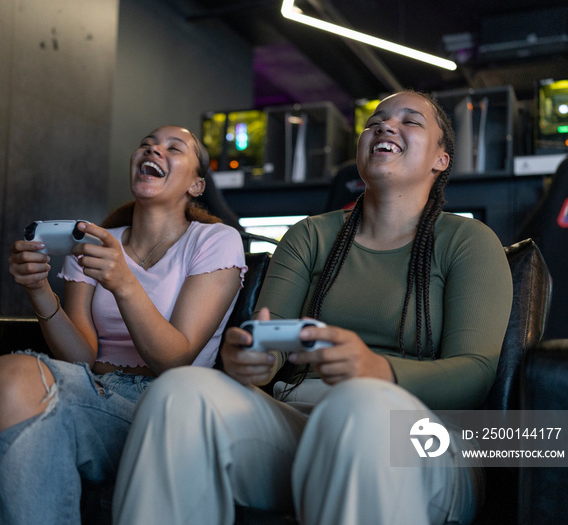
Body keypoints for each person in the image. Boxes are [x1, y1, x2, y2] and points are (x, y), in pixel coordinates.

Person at [110, 92, 514, 525]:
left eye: (409, 121)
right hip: (303, 422)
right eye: (376, 120)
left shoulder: (468, 241)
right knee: (180, 393)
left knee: (361, 405)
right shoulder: (309, 236)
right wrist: (249, 360)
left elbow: (475, 374)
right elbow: (270, 344)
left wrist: (376, 371)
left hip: (420, 438)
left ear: (441, 159)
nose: (384, 126)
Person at [0, 125, 247, 524]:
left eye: (173, 148)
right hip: (92, 388)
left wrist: (124, 283)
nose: (154, 150)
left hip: (163, 405)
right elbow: (80, 356)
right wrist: (39, 289)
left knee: (12, 376)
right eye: (146, 145)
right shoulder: (96, 240)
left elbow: (174, 360)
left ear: (196, 185)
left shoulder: (215, 240)